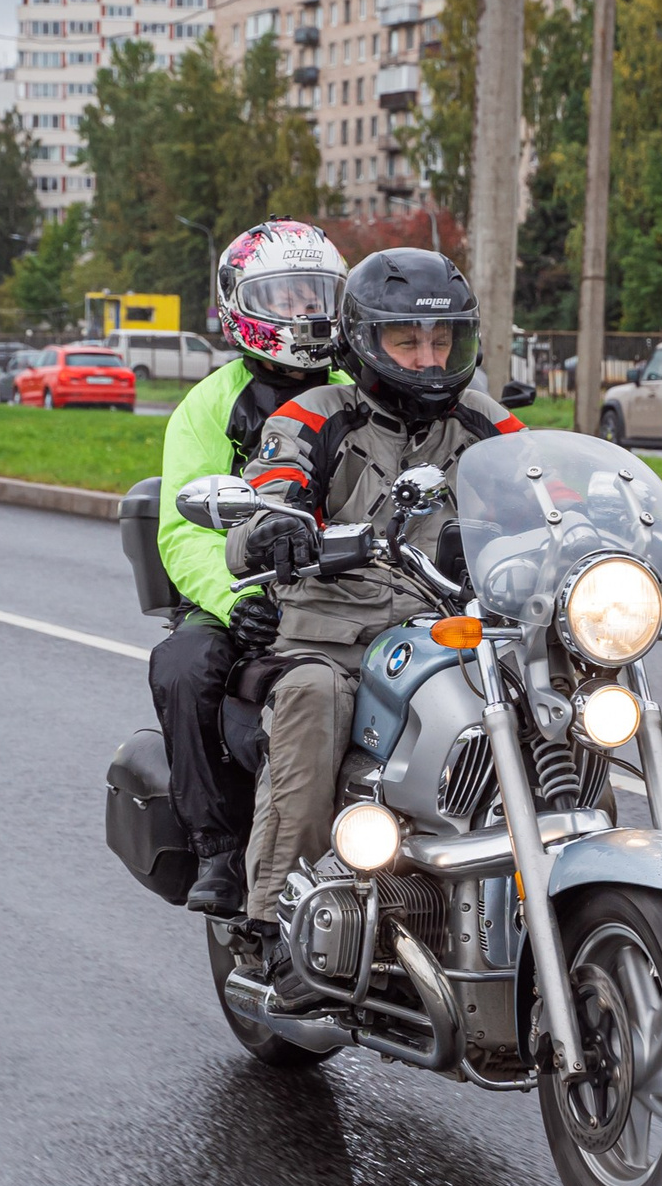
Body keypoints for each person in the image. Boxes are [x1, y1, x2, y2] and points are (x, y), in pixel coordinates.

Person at [224, 249, 529, 965]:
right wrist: (273, 522)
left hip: (454, 632)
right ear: (365, 338)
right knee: (311, 695)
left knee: (559, 690)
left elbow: (552, 488)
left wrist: (624, 535)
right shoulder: (314, 416)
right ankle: (270, 920)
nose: (427, 358)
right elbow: (266, 488)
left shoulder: (484, 421)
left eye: (440, 340)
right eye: (407, 340)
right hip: (335, 640)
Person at [149, 221, 351, 916]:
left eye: (319, 295)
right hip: (240, 590)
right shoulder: (208, 406)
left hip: (347, 590)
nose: (308, 313)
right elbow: (181, 532)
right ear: (243, 304)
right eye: (289, 297)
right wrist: (235, 600)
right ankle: (216, 845)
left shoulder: (359, 390)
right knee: (185, 664)